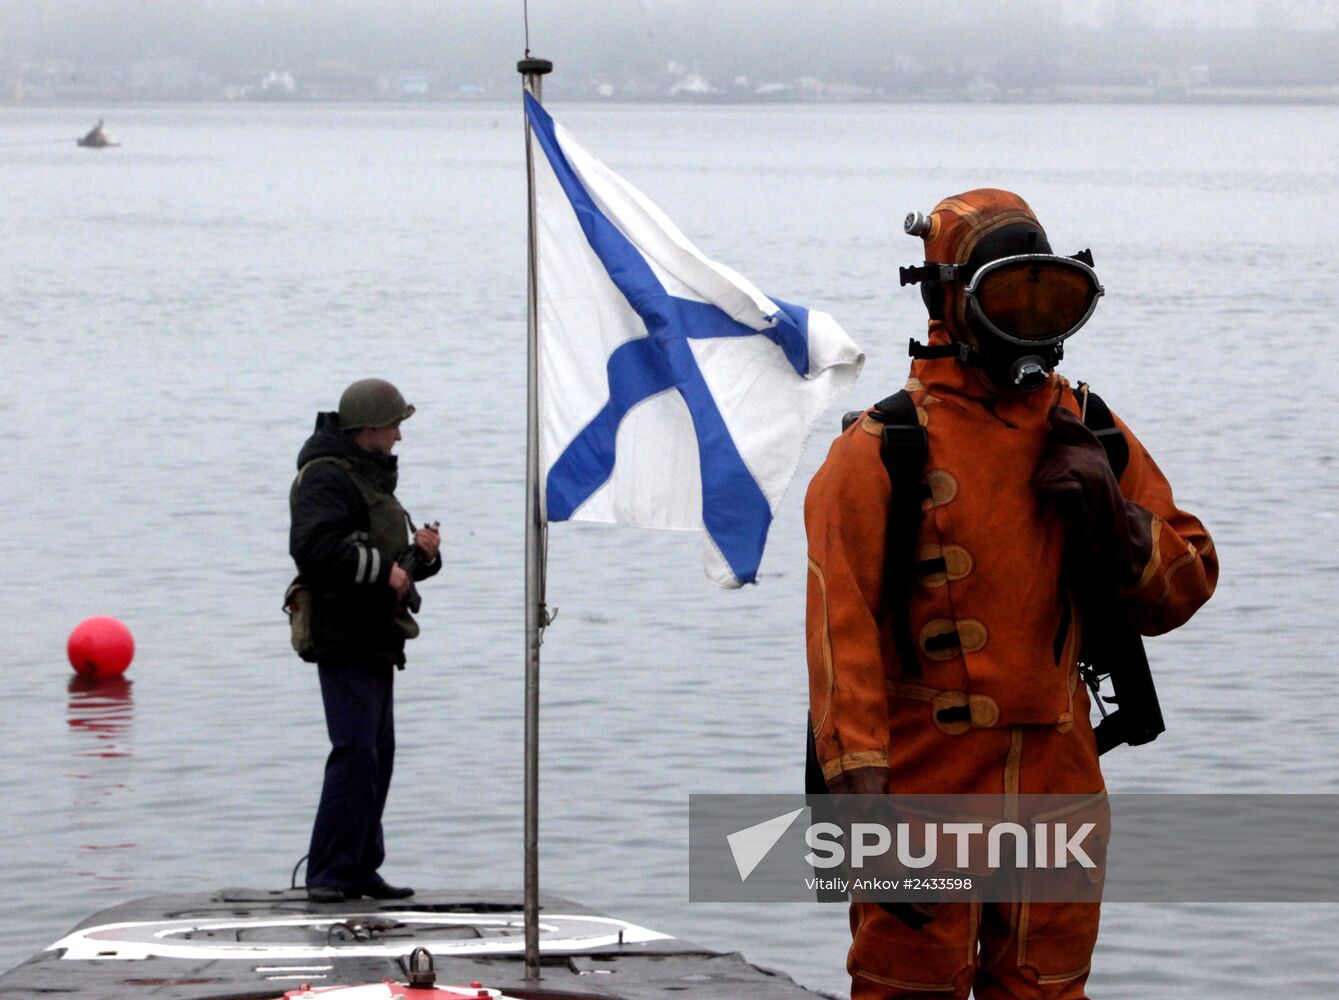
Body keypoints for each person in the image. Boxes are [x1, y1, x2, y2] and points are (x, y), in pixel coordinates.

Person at [804, 189, 1218, 998]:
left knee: (1046, 988)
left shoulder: (1088, 428)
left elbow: (1185, 585)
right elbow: (837, 635)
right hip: (922, 794)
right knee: (905, 988)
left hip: (1059, 789)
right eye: (1008, 299)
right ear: (947, 297)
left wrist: (1114, 518)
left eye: (1049, 300)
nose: (1031, 323)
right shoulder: (881, 449)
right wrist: (860, 807)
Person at [289, 377, 441, 903]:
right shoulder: (326, 478)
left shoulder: (368, 476)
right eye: (395, 424)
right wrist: (384, 574)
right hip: (342, 632)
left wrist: (420, 556)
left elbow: (387, 562)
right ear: (370, 428)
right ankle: (330, 872)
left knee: (377, 752)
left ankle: (359, 867)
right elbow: (314, 550)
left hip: (375, 635)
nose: (400, 434)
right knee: (354, 750)